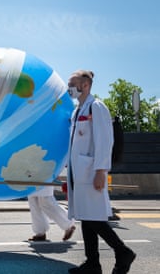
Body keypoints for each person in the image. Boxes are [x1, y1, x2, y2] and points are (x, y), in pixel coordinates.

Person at [66, 70, 136, 274]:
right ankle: (92, 264)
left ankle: (123, 252)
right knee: (86, 217)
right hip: (78, 172)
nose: (69, 88)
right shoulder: (77, 110)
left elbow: (105, 141)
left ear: (85, 84)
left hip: (90, 172)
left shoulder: (96, 107)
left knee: (94, 219)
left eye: (73, 83)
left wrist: (101, 171)